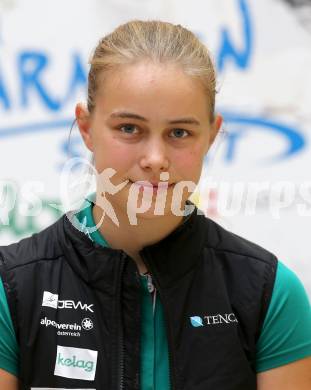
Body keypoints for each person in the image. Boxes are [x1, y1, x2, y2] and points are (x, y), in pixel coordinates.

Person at [0, 20, 310, 390]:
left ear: (211, 135)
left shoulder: (269, 292)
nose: (155, 158)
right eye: (129, 128)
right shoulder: (12, 287)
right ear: (85, 128)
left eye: (179, 133)